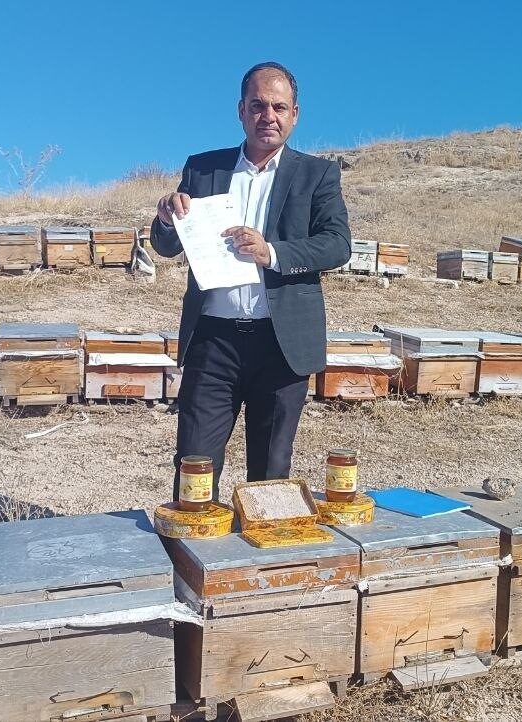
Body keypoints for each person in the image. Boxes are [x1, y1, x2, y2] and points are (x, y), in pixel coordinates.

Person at [150, 61, 351, 498]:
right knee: (194, 465)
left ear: (295, 114)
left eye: (279, 107)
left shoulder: (317, 174)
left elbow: (337, 244)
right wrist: (166, 219)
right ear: (241, 110)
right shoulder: (203, 169)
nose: (268, 116)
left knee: (270, 473)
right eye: (258, 106)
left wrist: (271, 253)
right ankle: (195, 542)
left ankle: (261, 544)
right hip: (213, 342)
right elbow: (166, 246)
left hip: (281, 346)